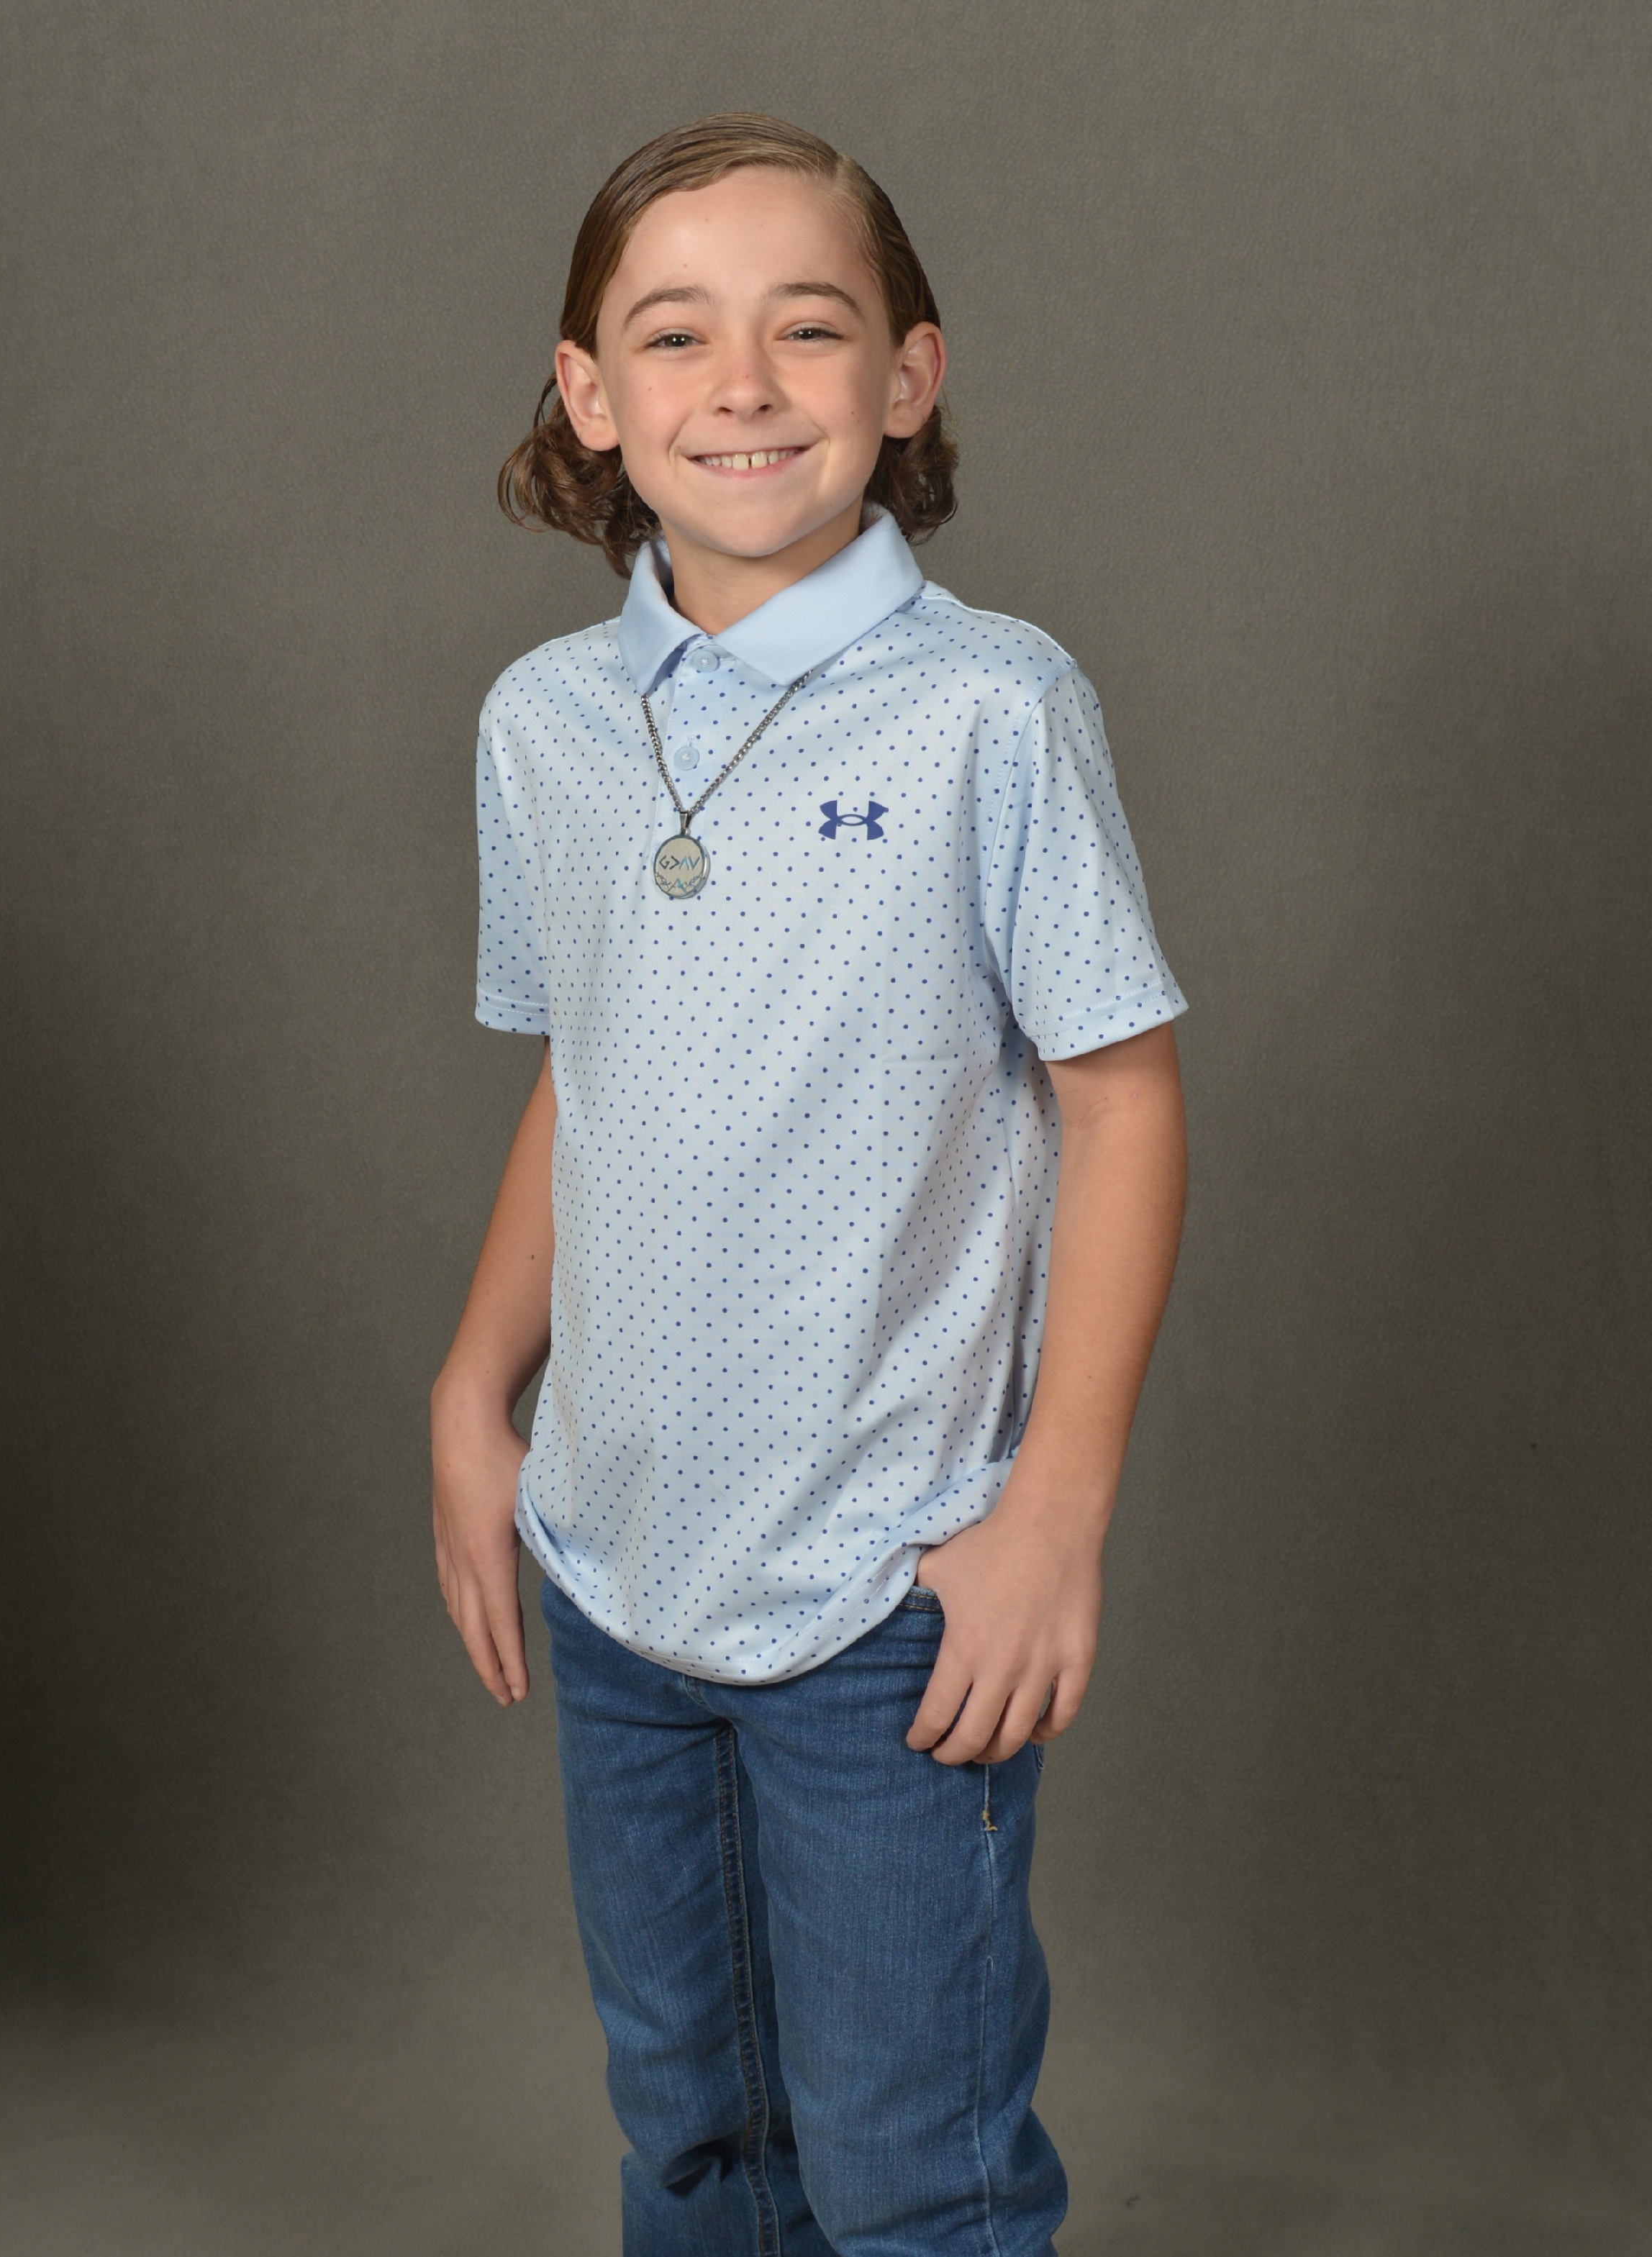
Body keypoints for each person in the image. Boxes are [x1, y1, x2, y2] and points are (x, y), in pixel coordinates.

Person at [430, 112, 1188, 2257]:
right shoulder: (545, 724)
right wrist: (471, 1390)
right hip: (615, 1572)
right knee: (691, 2133)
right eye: (676, 334)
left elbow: (1125, 1106)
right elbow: (592, 1077)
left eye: (811, 328)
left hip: (883, 1587)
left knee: (907, 2167)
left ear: (909, 376)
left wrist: (1056, 1511)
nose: (743, 384)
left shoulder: (993, 710)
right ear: (590, 394)